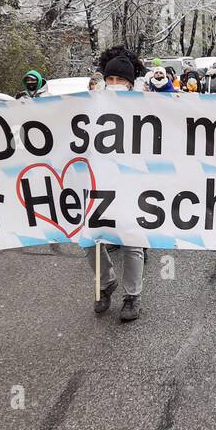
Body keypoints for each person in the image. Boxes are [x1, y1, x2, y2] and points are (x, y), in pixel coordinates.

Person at [93, 50, 147, 322]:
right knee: (89, 238)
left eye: (119, 79)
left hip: (132, 180)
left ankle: (132, 296)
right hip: (98, 180)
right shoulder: (92, 105)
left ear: (130, 82)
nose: (114, 83)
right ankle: (105, 283)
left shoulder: (145, 106)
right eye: (109, 78)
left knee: (132, 240)